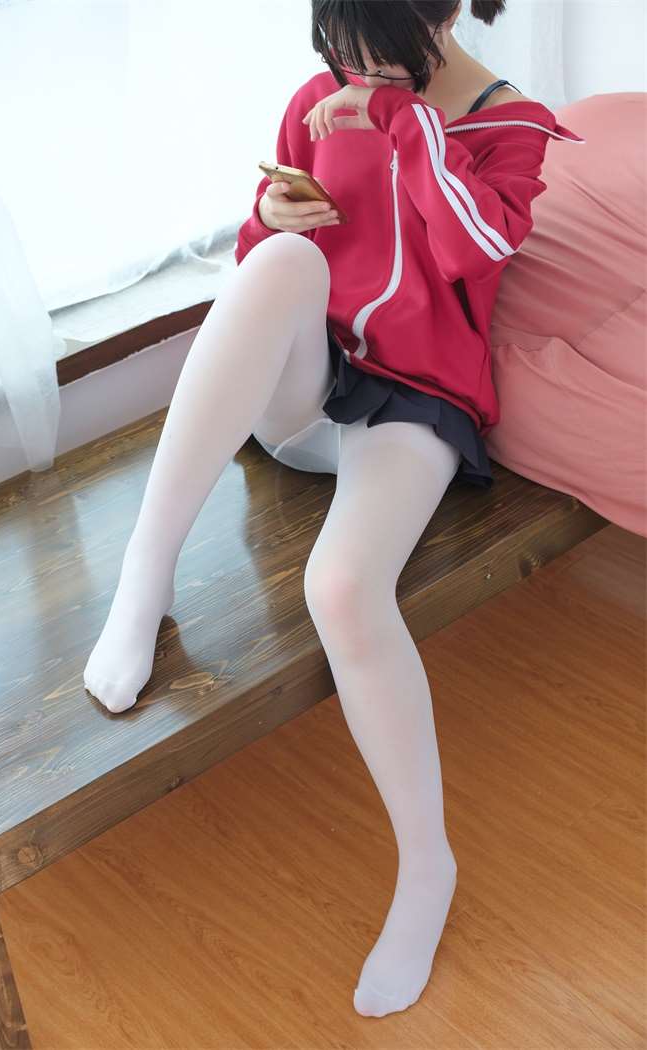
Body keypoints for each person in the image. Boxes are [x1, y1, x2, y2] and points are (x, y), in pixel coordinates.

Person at [83, 0, 585, 1020]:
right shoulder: (316, 100)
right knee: (281, 262)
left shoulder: (512, 126)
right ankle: (147, 572)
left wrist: (403, 123)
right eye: (336, 45)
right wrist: (272, 221)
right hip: (307, 396)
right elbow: (255, 282)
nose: (351, 68)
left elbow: (473, 244)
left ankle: (427, 866)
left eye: (373, 47)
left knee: (344, 590)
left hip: (416, 404)